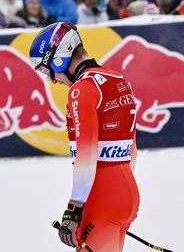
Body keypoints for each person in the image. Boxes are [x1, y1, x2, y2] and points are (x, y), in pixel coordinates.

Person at [29, 22, 139, 252]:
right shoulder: (116, 79)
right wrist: (120, 195)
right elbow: (131, 149)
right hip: (126, 190)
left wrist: (74, 209)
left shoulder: (81, 89)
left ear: (60, 58)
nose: (52, 80)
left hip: (102, 196)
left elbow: (86, 156)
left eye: (47, 70)